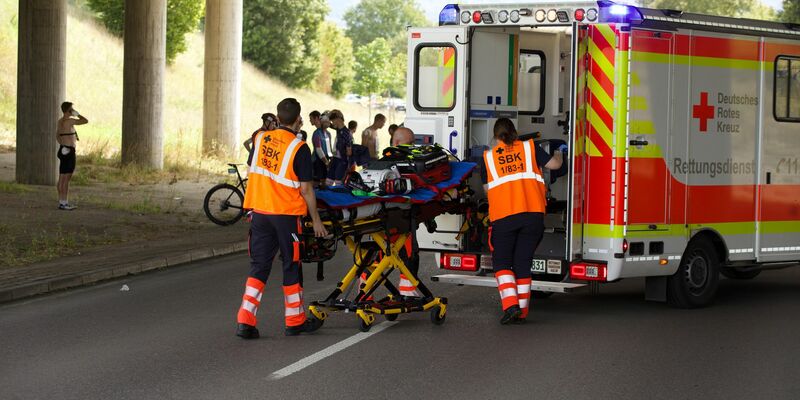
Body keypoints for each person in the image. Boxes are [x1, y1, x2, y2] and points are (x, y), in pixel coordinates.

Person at [235, 98, 328, 339]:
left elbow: (254, 169)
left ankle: (245, 320)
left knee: (259, 265)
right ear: (298, 119)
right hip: (286, 216)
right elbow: (306, 190)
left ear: (277, 118)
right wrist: (316, 220)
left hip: (259, 213)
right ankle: (295, 321)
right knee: (291, 265)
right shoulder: (299, 147)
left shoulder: (259, 138)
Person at [482, 118, 564, 325]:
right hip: (532, 216)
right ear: (515, 132)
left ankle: (511, 307)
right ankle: (522, 312)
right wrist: (559, 151)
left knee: (502, 263)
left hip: (504, 217)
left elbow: (487, 190)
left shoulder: (489, 157)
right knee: (522, 263)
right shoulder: (530, 148)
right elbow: (555, 165)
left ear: (495, 136)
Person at [56, 101, 88, 210]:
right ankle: (64, 203)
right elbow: (85, 121)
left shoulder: (60, 121)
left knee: (62, 177)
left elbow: (57, 136)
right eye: (72, 109)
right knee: (66, 178)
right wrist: (77, 114)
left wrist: (62, 144)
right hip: (69, 151)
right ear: (69, 110)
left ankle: (62, 201)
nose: (73, 110)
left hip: (63, 150)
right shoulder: (70, 121)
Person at [326, 109, 352, 185]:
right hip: (335, 158)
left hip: (342, 160)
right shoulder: (338, 129)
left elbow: (349, 152)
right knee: (328, 180)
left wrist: (348, 164)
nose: (332, 122)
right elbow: (328, 124)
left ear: (338, 119)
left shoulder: (346, 133)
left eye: (333, 120)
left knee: (338, 182)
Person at [311, 111, 334, 186]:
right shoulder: (317, 133)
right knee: (316, 185)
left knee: (325, 184)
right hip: (317, 162)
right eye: (326, 122)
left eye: (329, 122)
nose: (329, 123)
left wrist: (331, 160)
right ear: (322, 122)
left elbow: (329, 150)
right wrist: (326, 162)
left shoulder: (328, 134)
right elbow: (318, 149)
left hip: (325, 162)